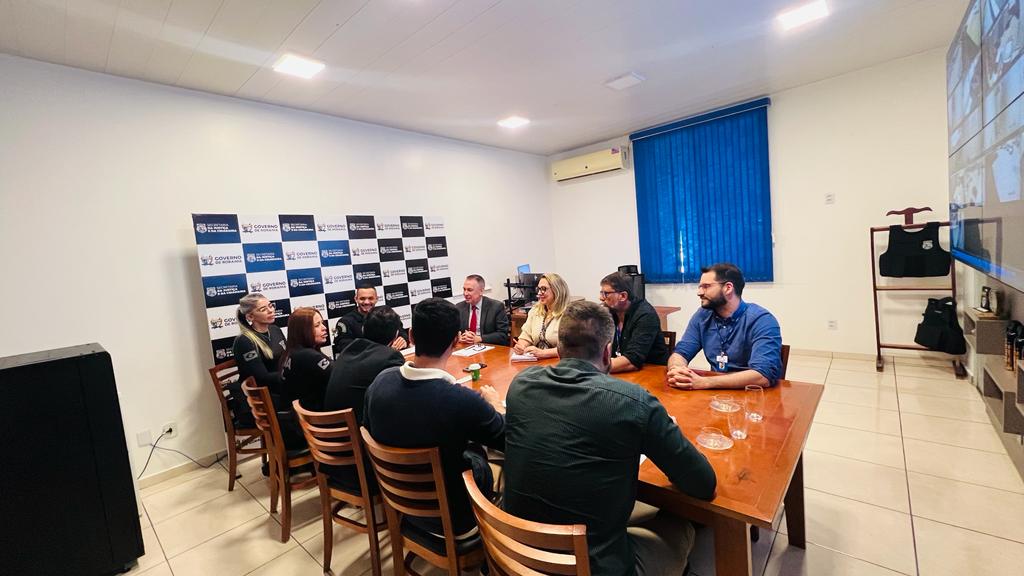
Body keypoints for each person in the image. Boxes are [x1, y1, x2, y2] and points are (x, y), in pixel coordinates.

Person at [503, 300, 717, 575]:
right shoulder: (633, 403)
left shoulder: (521, 385)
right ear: (607, 352)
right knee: (684, 522)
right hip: (594, 566)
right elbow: (703, 484)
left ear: (560, 346)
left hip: (517, 553)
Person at [363, 298, 505, 541]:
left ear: (411, 336)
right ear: (455, 341)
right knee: (488, 462)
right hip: (456, 520)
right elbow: (508, 438)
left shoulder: (379, 382)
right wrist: (495, 405)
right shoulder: (461, 401)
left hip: (399, 506)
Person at [667, 263, 782, 390]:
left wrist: (705, 382)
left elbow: (762, 375)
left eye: (706, 287)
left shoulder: (762, 320)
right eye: (700, 287)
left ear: (728, 288)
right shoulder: (702, 316)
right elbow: (681, 352)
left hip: (753, 395)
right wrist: (677, 369)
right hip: (715, 396)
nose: (699, 292)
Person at [324, 306, 406, 423]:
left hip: (331, 428)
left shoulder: (350, 348)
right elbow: (402, 397)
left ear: (363, 329)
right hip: (356, 433)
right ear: (396, 334)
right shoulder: (390, 357)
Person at [230, 293, 286, 426]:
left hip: (280, 388)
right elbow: (261, 378)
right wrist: (290, 376)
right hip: (262, 399)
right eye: (263, 309)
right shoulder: (244, 341)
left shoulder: (275, 329)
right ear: (250, 316)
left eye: (270, 306)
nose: (270, 310)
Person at [599, 271, 670, 373]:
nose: (601, 298)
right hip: (622, 371)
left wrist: (595, 368)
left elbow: (632, 361)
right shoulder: (610, 312)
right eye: (601, 293)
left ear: (623, 296)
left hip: (651, 373)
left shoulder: (645, 315)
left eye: (606, 294)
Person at [332, 283, 408, 356]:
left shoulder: (387, 315)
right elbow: (343, 347)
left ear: (376, 299)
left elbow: (402, 332)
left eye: (370, 298)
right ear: (356, 299)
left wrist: (403, 339)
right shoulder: (346, 321)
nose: (366, 302)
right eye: (362, 298)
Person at [280, 307, 332, 412]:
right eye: (317, 325)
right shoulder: (307, 355)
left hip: (301, 415)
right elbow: (339, 376)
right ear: (302, 331)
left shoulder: (293, 351)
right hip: (317, 418)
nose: (324, 328)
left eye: (322, 323)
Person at [512, 273, 569, 359]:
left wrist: (544, 353)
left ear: (557, 290)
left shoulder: (569, 314)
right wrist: (521, 346)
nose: (539, 293)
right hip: (537, 362)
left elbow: (571, 347)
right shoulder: (535, 311)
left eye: (544, 289)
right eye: (538, 289)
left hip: (559, 363)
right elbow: (526, 336)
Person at [456, 274, 511, 345]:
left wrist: (479, 338)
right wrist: (459, 337)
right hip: (465, 348)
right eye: (464, 289)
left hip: (488, 348)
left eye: (469, 290)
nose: (465, 293)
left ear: (481, 291)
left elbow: (502, 335)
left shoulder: (496, 307)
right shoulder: (459, 307)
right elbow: (452, 332)